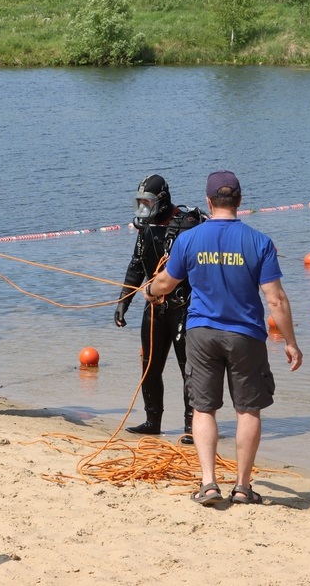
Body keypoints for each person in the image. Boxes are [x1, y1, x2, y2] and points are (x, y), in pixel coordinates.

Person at [144, 170, 302, 506]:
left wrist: (150, 291)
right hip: (246, 335)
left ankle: (209, 484)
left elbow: (165, 284)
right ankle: (243, 487)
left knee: (203, 409)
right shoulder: (259, 241)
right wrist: (290, 342)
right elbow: (275, 299)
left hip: (202, 334)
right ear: (240, 201)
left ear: (208, 202)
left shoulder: (189, 239)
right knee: (248, 411)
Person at [114, 174, 207, 444]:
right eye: (140, 202)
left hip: (184, 308)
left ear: (162, 200)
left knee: (188, 368)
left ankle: (192, 426)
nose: (144, 208)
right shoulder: (146, 227)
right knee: (150, 367)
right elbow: (135, 266)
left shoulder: (188, 225)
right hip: (154, 307)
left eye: (148, 202)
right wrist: (124, 302)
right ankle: (152, 421)